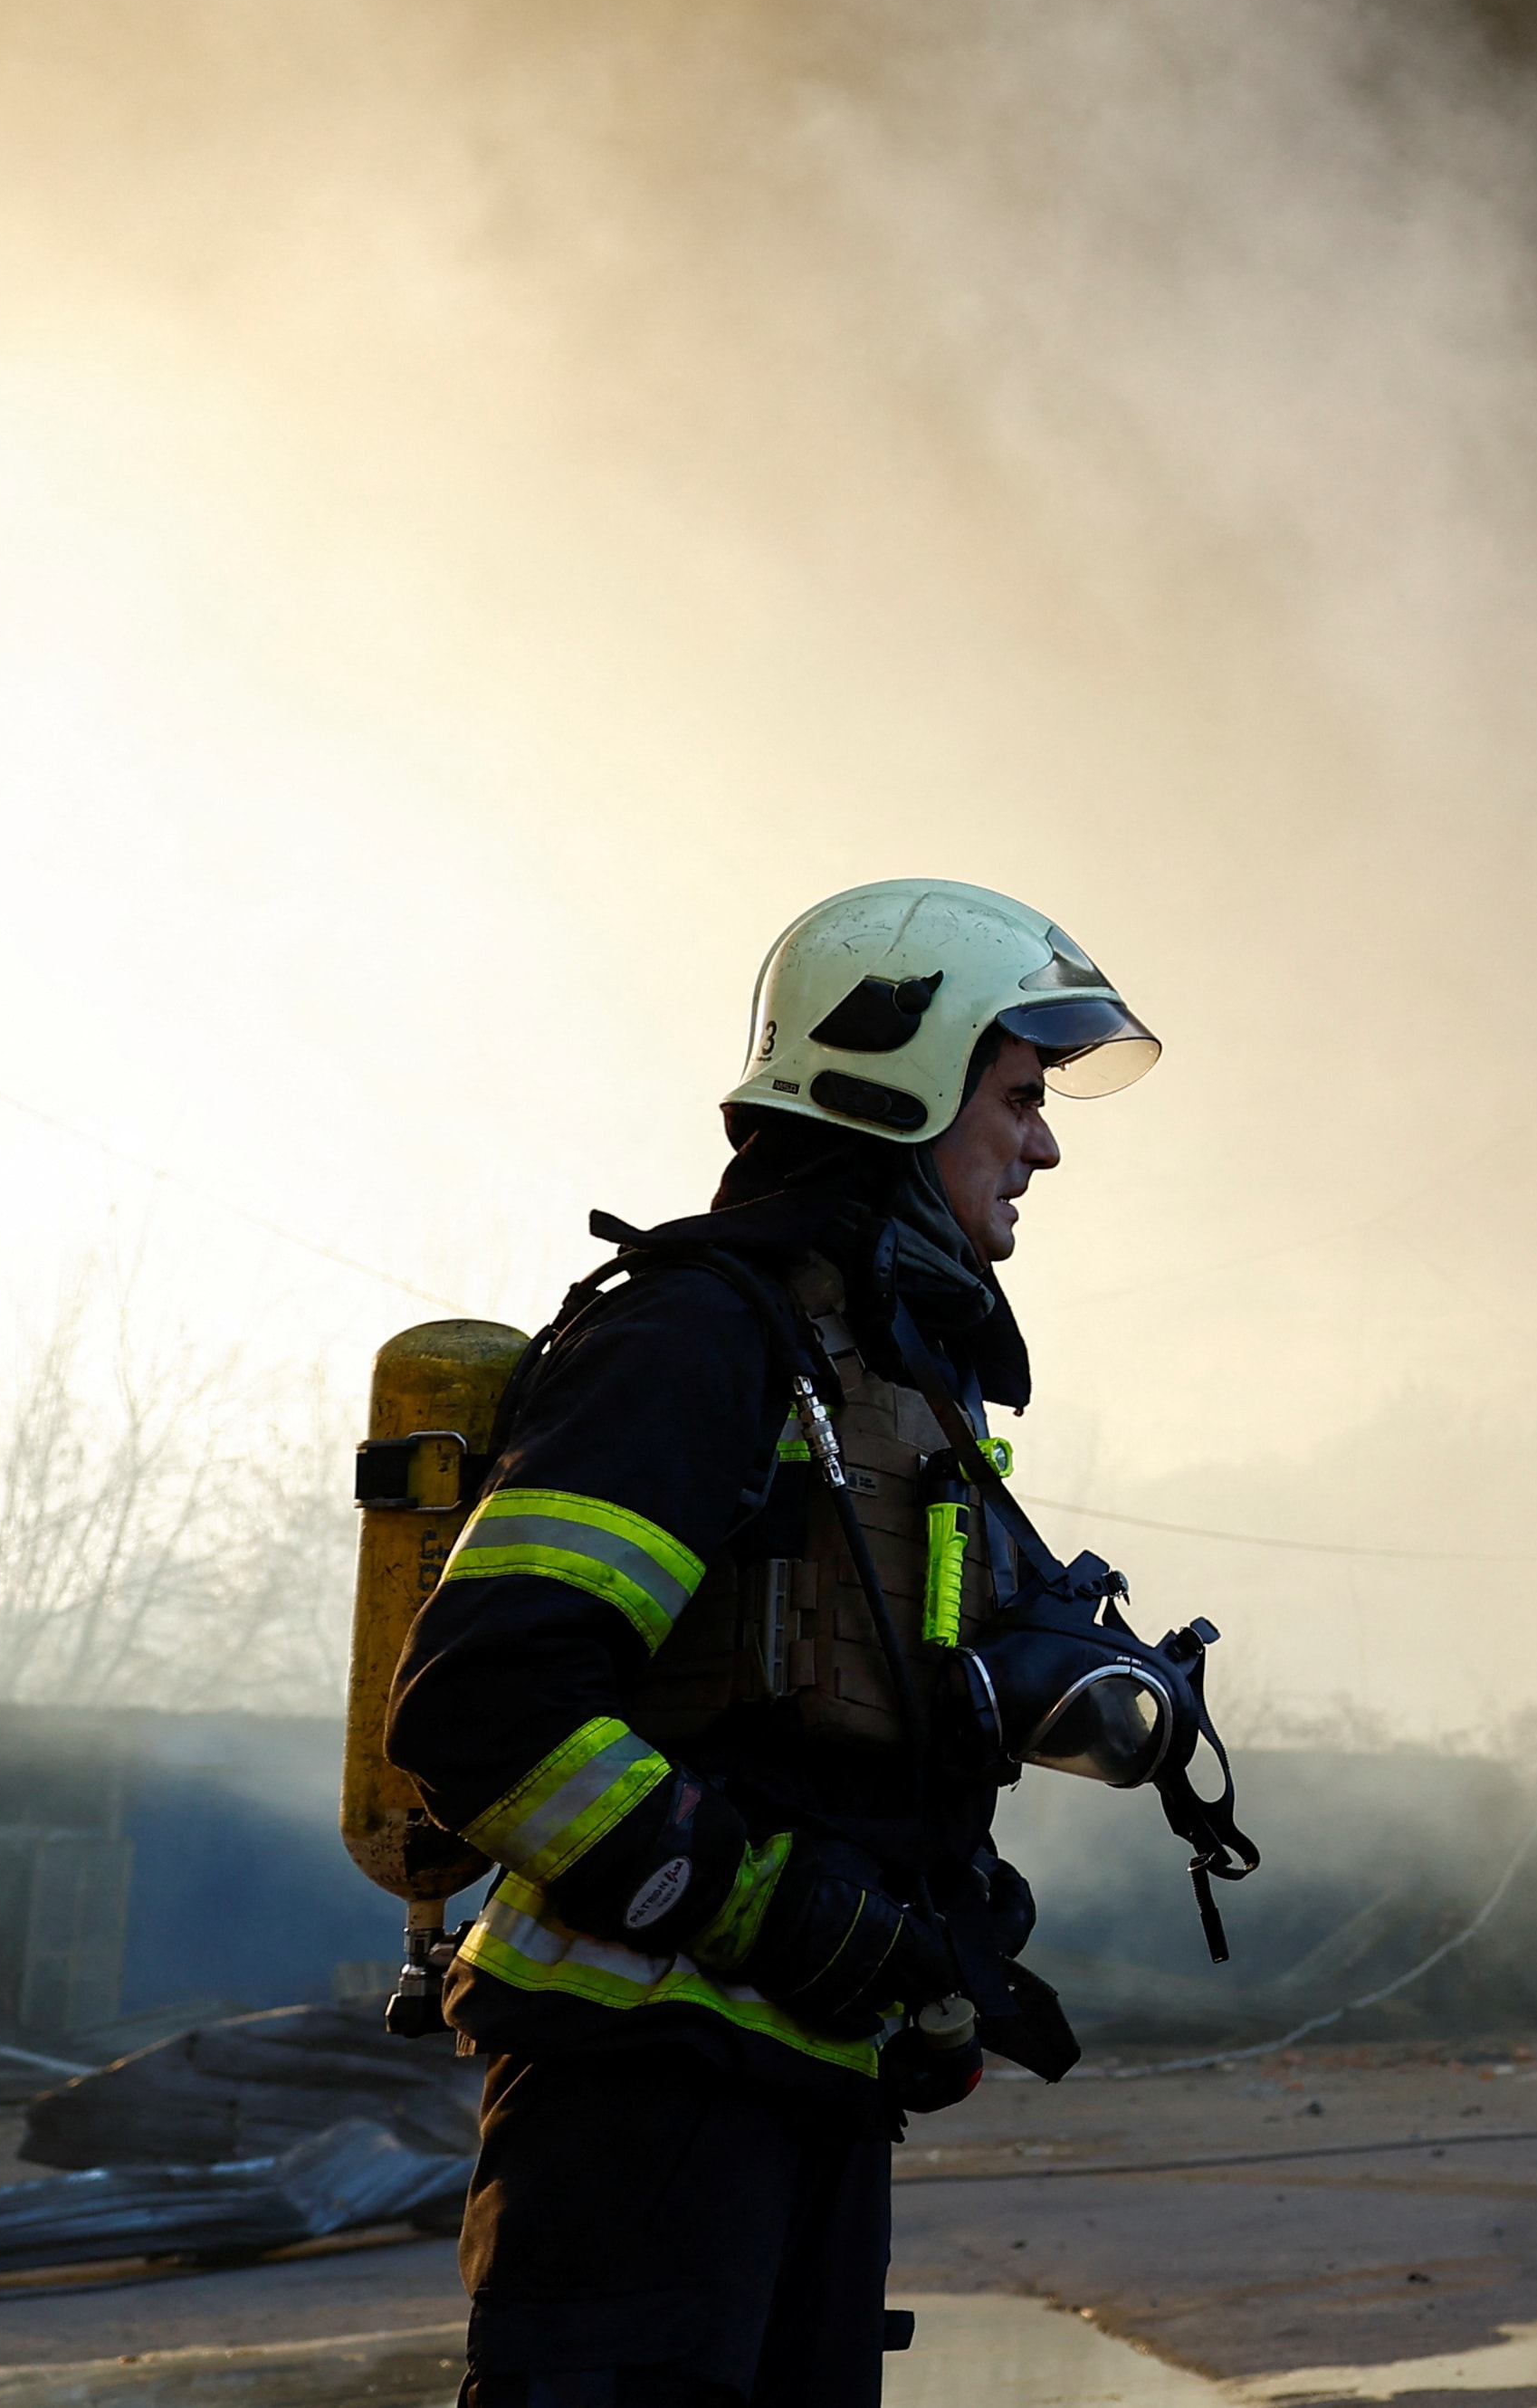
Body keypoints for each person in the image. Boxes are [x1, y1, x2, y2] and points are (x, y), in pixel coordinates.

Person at [387, 881, 1161, 2408]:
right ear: (904, 1077)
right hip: (638, 2101)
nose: (1045, 1141)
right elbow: (488, 1702)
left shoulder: (882, 1374)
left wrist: (932, 1909)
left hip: (797, 2079)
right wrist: (778, 1906)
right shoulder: (699, 1340)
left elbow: (865, 1699)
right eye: (1017, 1096)